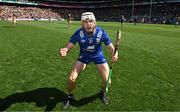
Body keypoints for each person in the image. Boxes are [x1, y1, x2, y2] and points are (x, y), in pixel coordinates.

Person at [59, 12, 118, 109]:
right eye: (85, 22)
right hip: (84, 56)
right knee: (71, 79)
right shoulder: (79, 33)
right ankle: (70, 95)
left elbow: (112, 49)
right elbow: (68, 47)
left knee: (108, 82)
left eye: (91, 21)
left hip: (98, 56)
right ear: (82, 24)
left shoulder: (101, 32)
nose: (88, 24)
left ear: (94, 23)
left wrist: (115, 54)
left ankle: (102, 93)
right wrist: (64, 50)